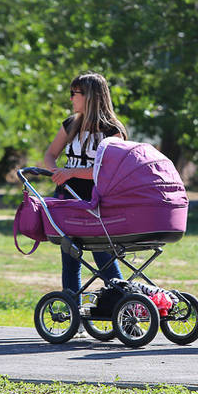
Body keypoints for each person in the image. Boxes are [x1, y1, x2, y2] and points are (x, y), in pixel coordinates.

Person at [44, 72, 127, 296]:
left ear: (90, 96)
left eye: (75, 93)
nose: (71, 98)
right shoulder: (71, 124)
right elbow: (50, 154)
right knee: (70, 255)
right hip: (67, 198)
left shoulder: (112, 131)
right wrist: (58, 173)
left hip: (96, 200)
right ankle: (75, 313)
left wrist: (71, 173)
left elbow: (108, 171)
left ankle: (126, 308)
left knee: (103, 256)